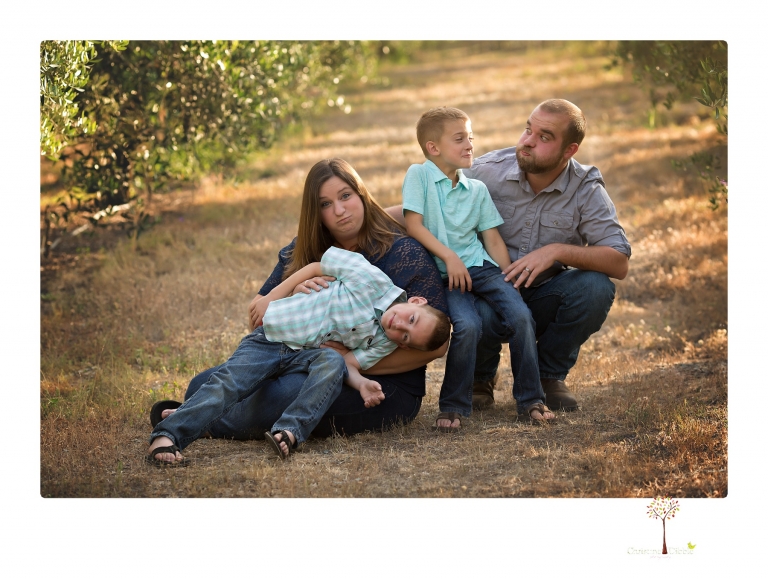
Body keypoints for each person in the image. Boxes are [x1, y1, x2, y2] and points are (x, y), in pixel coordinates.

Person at [151, 158, 450, 464]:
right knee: (202, 383)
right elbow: (257, 320)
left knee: (288, 392)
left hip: (380, 386)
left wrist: (343, 360)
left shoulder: (403, 252)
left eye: (346, 196)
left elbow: (436, 344)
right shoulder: (307, 249)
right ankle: (205, 410)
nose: (340, 210)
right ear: (315, 212)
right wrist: (295, 289)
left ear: (361, 194)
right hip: (304, 359)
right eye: (325, 203)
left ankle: (204, 421)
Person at [386, 98, 631, 412]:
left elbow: (619, 262)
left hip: (544, 291)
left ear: (569, 151)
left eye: (544, 137)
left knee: (597, 288)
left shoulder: (586, 190)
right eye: (528, 129)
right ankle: (479, 376)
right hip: (487, 286)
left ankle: (548, 376)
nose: (528, 141)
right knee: (478, 315)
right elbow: (421, 211)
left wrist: (555, 251)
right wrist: (356, 223)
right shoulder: (486, 171)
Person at [401, 107, 554, 431]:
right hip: (448, 276)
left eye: (470, 137)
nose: (470, 144)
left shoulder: (477, 190)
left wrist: (511, 277)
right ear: (433, 148)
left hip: (483, 269)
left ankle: (531, 400)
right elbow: (413, 224)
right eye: (459, 139)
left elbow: (492, 239)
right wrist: (449, 257)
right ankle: (454, 406)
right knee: (467, 326)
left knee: (521, 316)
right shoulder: (419, 175)